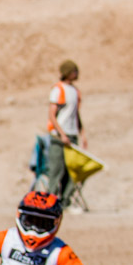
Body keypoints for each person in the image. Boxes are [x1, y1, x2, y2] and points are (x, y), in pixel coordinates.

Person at [44, 59, 88, 209]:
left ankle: (65, 202)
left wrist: (82, 134)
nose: (77, 73)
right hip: (58, 136)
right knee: (57, 170)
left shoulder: (75, 91)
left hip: (72, 135)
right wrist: (62, 134)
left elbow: (76, 115)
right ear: (67, 72)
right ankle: (50, 203)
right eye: (74, 71)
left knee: (72, 172)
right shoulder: (58, 89)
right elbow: (52, 115)